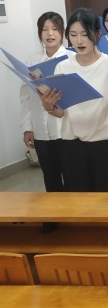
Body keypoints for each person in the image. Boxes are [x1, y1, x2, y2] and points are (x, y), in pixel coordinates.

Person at [39, 8, 108, 192]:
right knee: (79, 200)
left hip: (107, 145)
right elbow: (62, 112)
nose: (79, 40)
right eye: (73, 35)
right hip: (73, 146)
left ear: (98, 33)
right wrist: (49, 107)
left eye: (85, 34)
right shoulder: (63, 67)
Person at [20, 12, 74, 192]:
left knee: (72, 177)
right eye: (45, 29)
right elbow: (26, 97)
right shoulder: (32, 61)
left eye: (55, 29)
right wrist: (27, 127)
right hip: (41, 131)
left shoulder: (72, 58)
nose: (50, 34)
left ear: (62, 32)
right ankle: (54, 211)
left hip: (65, 130)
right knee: (50, 179)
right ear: (39, 33)